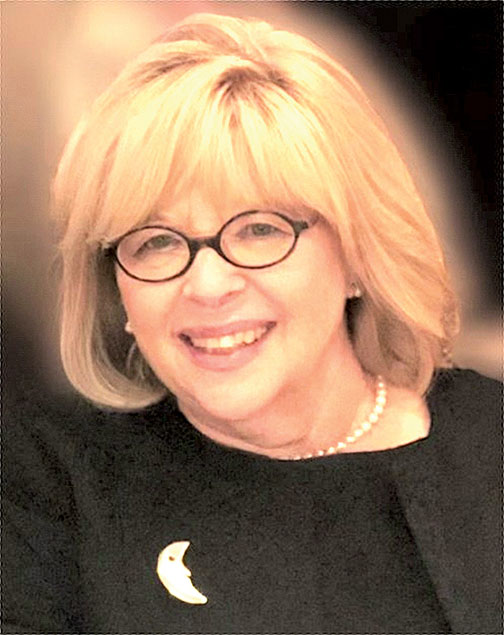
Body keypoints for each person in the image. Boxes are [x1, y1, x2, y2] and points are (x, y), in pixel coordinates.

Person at [3, 13, 500, 633]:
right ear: (117, 290)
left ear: (357, 257)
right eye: (156, 242)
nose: (208, 285)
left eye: (261, 230)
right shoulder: (46, 486)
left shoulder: (490, 444)